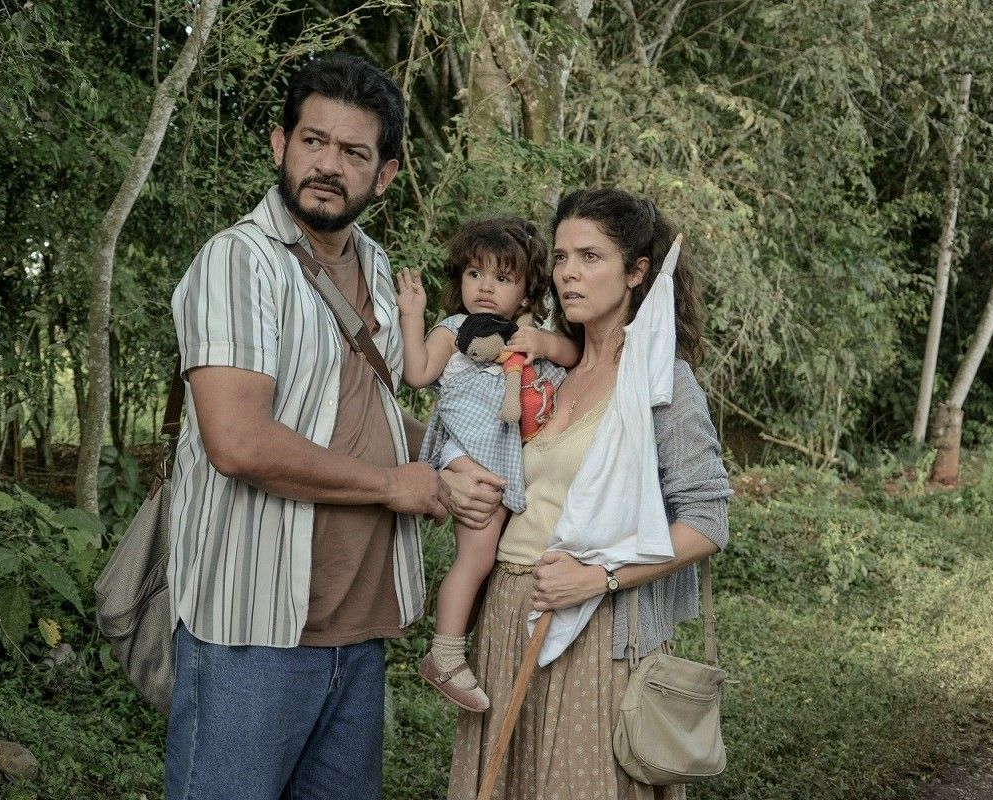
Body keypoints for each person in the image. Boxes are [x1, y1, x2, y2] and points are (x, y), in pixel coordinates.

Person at [165, 53, 503, 800]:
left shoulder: (376, 265)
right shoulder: (238, 262)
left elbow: (369, 411)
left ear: (382, 177)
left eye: (354, 152)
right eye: (313, 141)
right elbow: (239, 442)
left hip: (357, 630)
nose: (328, 165)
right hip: (250, 631)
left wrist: (450, 458)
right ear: (278, 144)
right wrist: (393, 485)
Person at [448, 188, 733, 799]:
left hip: (601, 633)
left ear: (637, 272)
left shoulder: (660, 382)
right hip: (508, 617)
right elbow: (479, 448)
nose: (569, 272)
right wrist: (448, 477)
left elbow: (707, 520)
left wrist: (597, 577)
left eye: (591, 257)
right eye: (560, 257)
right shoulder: (548, 372)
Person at [396, 218, 579, 713]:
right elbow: (417, 373)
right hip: (468, 461)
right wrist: (413, 317)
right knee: (474, 559)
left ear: (525, 293)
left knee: (495, 564)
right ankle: (445, 655)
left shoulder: (529, 334)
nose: (484, 286)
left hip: (507, 469)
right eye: (475, 273)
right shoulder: (453, 332)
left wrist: (539, 344)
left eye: (501, 278)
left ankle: (471, 638)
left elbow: (573, 353)